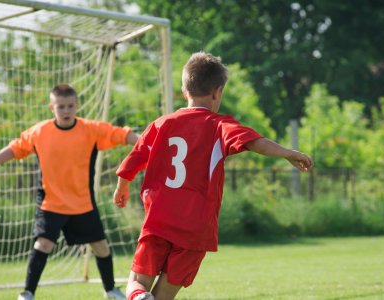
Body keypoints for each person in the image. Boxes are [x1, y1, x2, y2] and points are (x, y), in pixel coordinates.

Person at [113, 52, 313, 300]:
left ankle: (138, 296)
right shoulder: (219, 125)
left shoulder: (161, 124)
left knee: (136, 281)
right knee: (164, 295)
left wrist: (122, 186)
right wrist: (287, 153)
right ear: (217, 92)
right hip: (196, 228)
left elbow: (133, 158)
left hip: (159, 219)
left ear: (185, 91)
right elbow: (255, 142)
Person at [0, 84, 137, 300]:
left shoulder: (90, 130)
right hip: (51, 203)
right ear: (51, 107)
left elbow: (121, 134)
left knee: (101, 247)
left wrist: (146, 144)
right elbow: (15, 148)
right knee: (43, 244)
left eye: (70, 106)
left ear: (77, 106)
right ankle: (27, 293)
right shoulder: (39, 132)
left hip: (82, 203)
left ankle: (110, 290)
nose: (66, 111)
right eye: (61, 106)